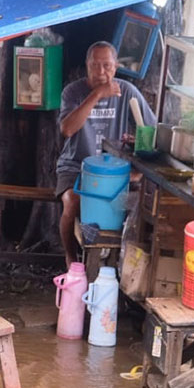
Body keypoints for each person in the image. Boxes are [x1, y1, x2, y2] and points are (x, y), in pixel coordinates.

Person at [55, 40, 156, 265]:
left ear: (116, 66)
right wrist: (98, 94)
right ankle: (71, 260)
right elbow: (68, 128)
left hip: (115, 171)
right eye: (95, 66)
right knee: (71, 200)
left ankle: (122, 264)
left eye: (107, 66)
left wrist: (136, 154)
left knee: (144, 203)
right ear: (87, 66)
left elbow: (150, 131)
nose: (101, 72)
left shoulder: (127, 91)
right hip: (76, 165)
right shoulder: (73, 92)